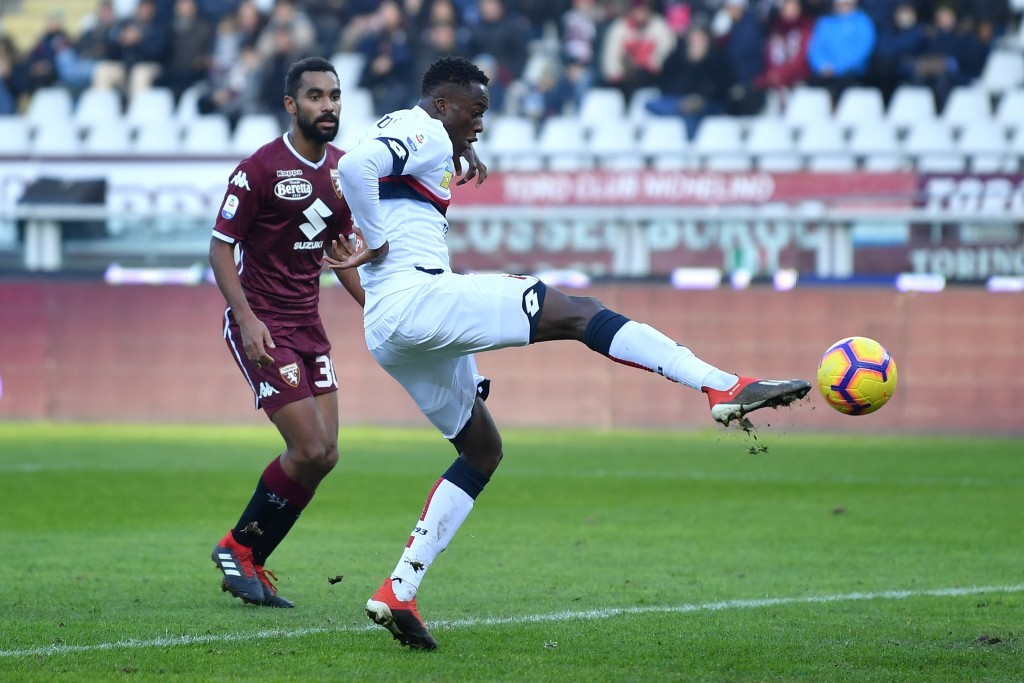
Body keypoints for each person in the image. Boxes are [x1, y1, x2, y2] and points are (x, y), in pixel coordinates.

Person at [326, 55, 811, 649]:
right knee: (580, 311)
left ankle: (400, 589)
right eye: (475, 111)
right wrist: (378, 243)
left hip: (389, 327)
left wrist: (452, 156)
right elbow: (354, 168)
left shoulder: (414, 133)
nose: (480, 124)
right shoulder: (422, 128)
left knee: (482, 450)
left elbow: (376, 168)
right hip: (417, 299)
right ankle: (721, 385)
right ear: (443, 103)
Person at [207, 56, 363, 608]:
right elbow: (220, 248)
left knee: (327, 455)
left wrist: (375, 308)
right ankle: (236, 548)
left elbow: (340, 254)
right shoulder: (260, 169)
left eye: (335, 96)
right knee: (309, 445)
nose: (329, 105)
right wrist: (246, 318)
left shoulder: (344, 171)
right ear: (292, 105)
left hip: (308, 324)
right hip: (265, 324)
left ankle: (248, 557)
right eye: (316, 96)